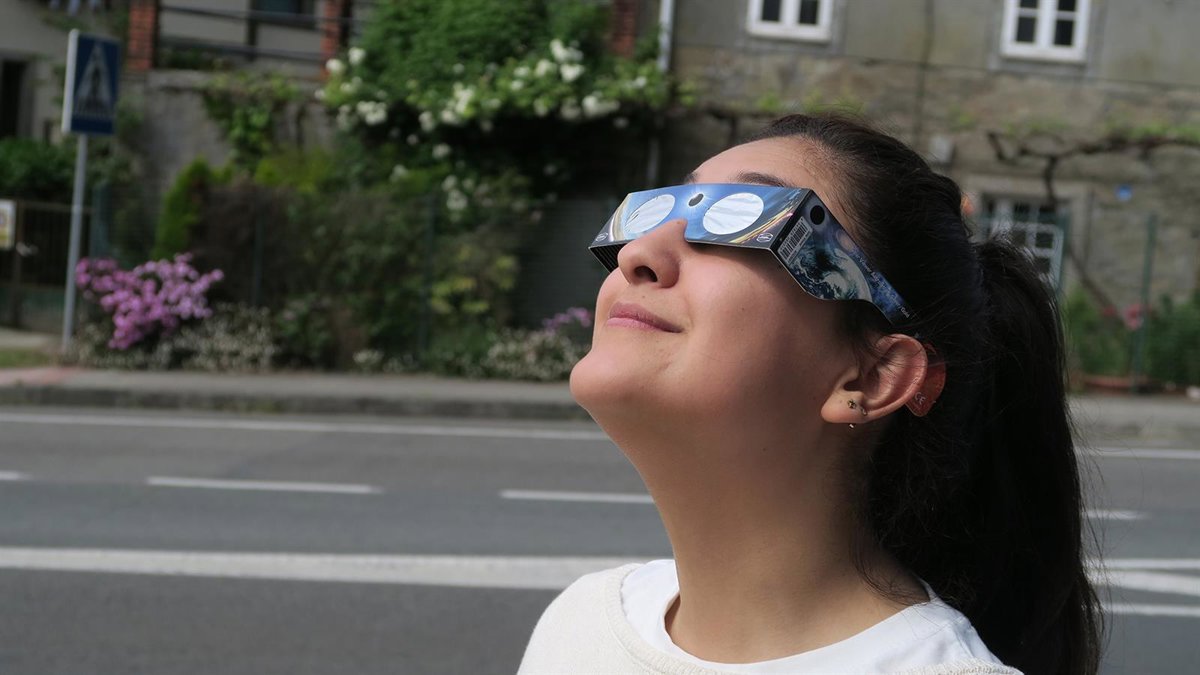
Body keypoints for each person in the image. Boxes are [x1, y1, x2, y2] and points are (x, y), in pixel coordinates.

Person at [517, 113, 1103, 675]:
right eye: (653, 212)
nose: (635, 254)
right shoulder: (581, 621)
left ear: (872, 377)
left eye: (738, 221)